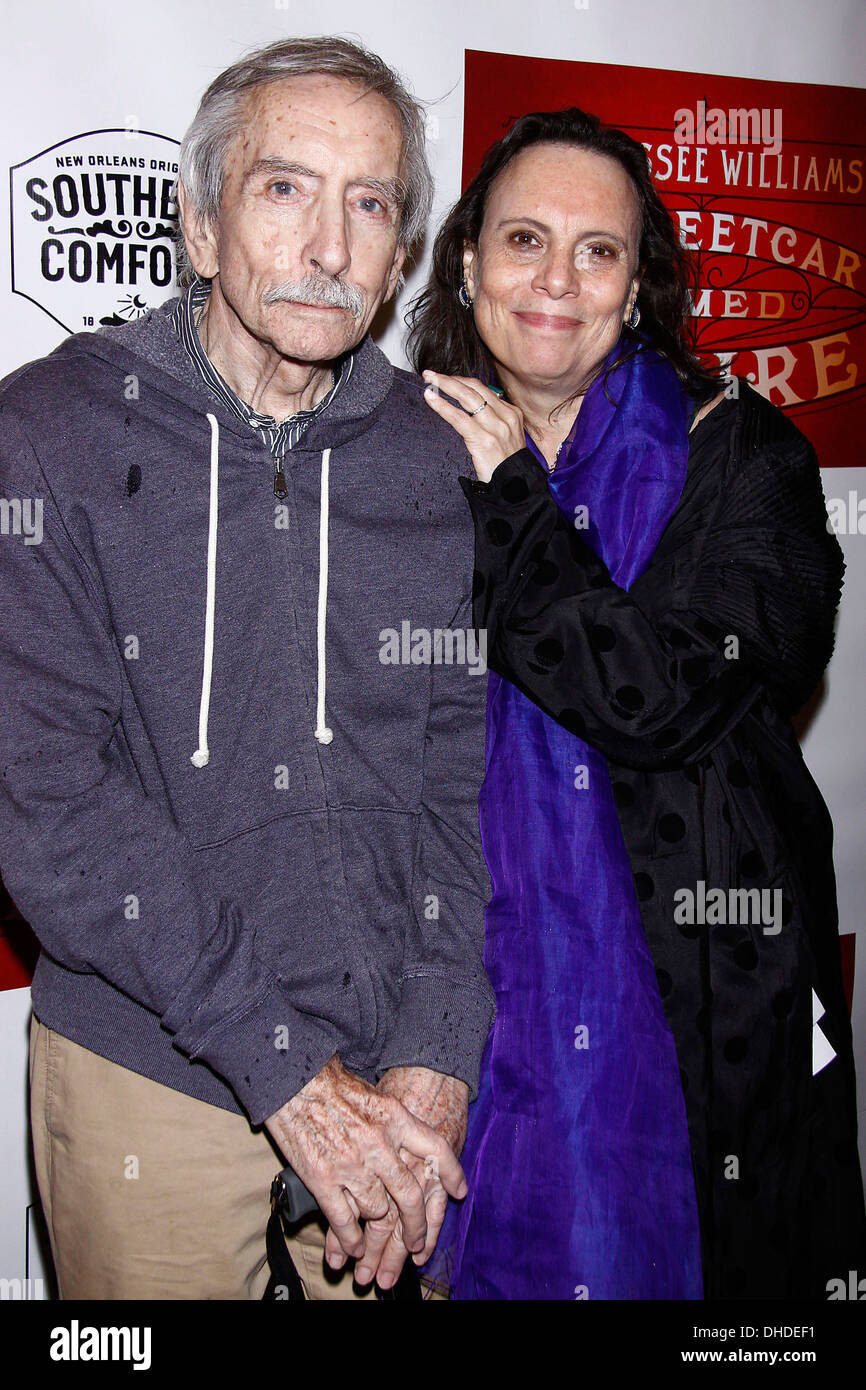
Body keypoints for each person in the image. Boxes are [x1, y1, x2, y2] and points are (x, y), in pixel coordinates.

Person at [0, 36, 496, 1300]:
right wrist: (279, 1067)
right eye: (284, 189)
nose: (328, 245)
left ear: (396, 261)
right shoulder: (45, 432)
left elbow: (463, 793)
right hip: (150, 1063)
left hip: (392, 1075)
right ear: (205, 228)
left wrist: (438, 1052)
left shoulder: (442, 467)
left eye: (369, 203)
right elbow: (51, 806)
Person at [409, 105, 866, 1300]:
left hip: (701, 1009)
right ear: (466, 262)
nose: (556, 278)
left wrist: (513, 497)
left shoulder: (745, 456)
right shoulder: (399, 462)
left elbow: (655, 696)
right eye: (522, 240)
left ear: (634, 283)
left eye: (596, 250)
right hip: (459, 992)